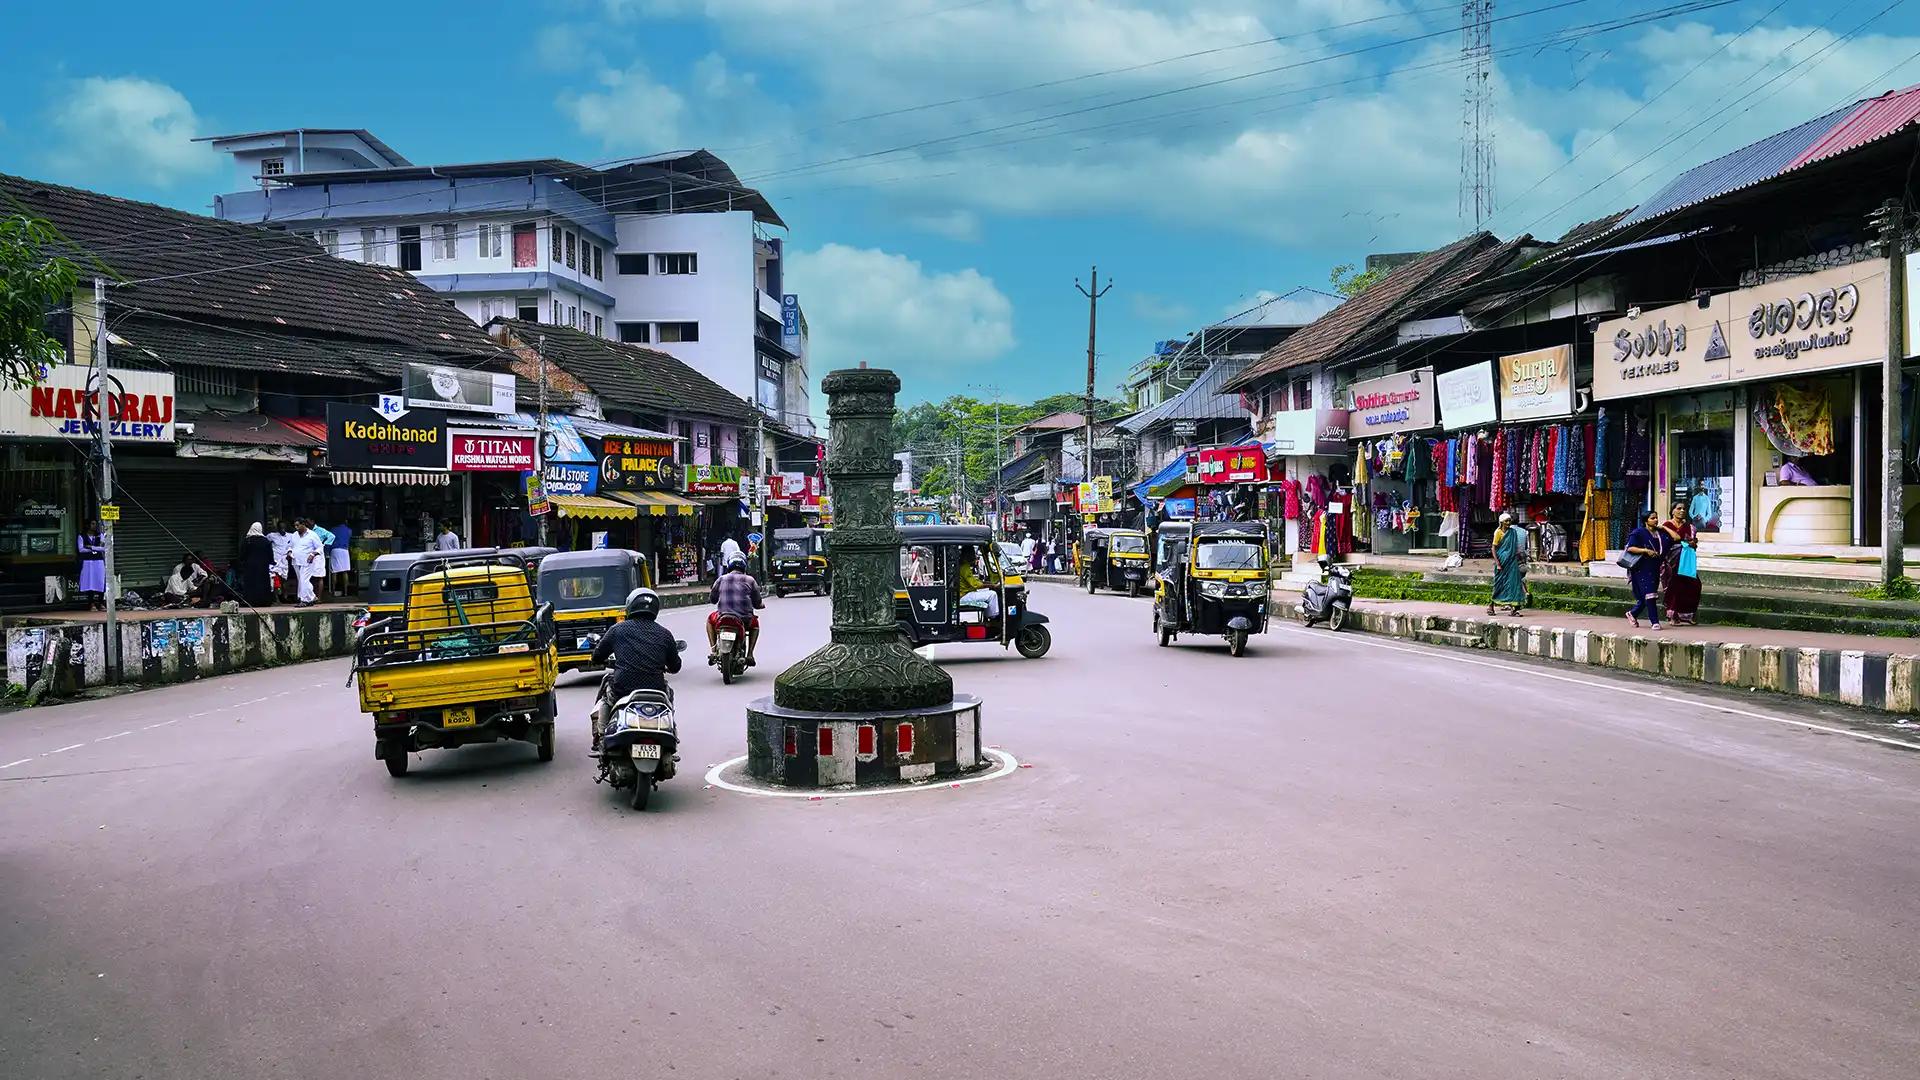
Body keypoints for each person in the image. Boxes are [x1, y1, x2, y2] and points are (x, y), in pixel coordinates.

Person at [589, 588, 682, 752]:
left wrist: (597, 658)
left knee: (605, 699)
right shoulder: (665, 634)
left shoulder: (618, 629)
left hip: (622, 688)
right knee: (669, 698)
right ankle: (671, 730)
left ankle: (601, 737)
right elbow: (676, 667)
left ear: (630, 606)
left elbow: (597, 656)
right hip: (655, 688)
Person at [707, 554, 764, 665]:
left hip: (722, 617)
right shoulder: (750, 580)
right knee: (755, 625)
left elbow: (713, 599)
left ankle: (713, 651)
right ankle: (750, 654)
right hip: (744, 619)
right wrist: (760, 605)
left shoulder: (721, 579)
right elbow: (757, 603)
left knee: (710, 620)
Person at [1623, 510, 1669, 630]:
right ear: (1645, 521)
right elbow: (1630, 548)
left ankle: (1633, 613)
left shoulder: (1660, 533)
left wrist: (1665, 528)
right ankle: (1655, 622)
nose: (1656, 520)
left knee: (1647, 596)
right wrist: (1645, 551)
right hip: (1642, 567)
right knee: (1650, 594)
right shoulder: (1638, 532)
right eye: (1652, 518)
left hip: (1654, 567)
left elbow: (1676, 537)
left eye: (1656, 518)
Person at [1660, 509, 1701, 626]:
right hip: (1671, 561)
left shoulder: (1690, 527)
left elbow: (1693, 542)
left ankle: (1687, 615)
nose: (1682, 511)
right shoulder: (1666, 526)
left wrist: (1693, 544)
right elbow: (1668, 542)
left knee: (1694, 585)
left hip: (1686, 561)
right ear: (1672, 511)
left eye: (1683, 509)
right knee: (1674, 587)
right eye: (1678, 508)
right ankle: (1673, 616)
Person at [1488, 511, 1527, 617]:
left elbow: (1516, 547)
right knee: (1499, 584)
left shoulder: (1513, 532)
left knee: (1513, 583)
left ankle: (1514, 609)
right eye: (1506, 521)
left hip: (1512, 561)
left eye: (1509, 520)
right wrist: (1498, 563)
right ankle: (1491, 605)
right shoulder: (1498, 532)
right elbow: (1494, 548)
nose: (1508, 523)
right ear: (1501, 522)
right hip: (1501, 561)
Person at [957, 545, 1002, 619]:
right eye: (973, 554)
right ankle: (993, 618)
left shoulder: (964, 566)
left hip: (965, 594)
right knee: (992, 594)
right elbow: (975, 584)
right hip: (964, 595)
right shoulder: (964, 567)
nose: (975, 556)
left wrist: (987, 583)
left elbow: (975, 581)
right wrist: (993, 586)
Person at [290, 519, 326, 606]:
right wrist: (289, 552)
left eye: (298, 525)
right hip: (296, 561)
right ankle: (312, 597)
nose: (296, 527)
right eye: (295, 526)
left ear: (303, 524)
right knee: (302, 580)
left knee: (304, 580)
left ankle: (304, 600)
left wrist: (313, 554)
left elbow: (319, 548)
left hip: (308, 561)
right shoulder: (294, 535)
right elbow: (290, 546)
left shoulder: (312, 535)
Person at [239, 522, 275, 607]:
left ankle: (250, 601)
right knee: (263, 583)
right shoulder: (265, 541)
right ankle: (264, 601)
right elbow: (270, 554)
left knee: (251, 583)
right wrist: (271, 561)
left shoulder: (248, 540)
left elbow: (242, 554)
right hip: (263, 566)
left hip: (250, 566)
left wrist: (242, 562)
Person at [77, 520, 106, 611]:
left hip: (98, 561)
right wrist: (93, 550)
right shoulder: (81, 536)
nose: (94, 526)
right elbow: (81, 549)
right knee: (90, 582)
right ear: (87, 525)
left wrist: (91, 547)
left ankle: (101, 602)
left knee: (100, 581)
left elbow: (104, 548)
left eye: (95, 524)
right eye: (92, 523)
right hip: (87, 561)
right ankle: (91, 603)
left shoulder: (100, 536)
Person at [267, 521, 294, 602]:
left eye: (283, 527)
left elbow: (293, 545)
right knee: (275, 579)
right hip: (275, 560)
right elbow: (264, 542)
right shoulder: (272, 535)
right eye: (280, 527)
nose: (282, 529)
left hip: (284, 561)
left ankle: (284, 597)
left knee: (284, 580)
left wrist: (290, 553)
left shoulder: (291, 536)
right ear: (277, 528)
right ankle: (276, 598)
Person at [328, 519, 355, 597]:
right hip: (344, 550)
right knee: (345, 571)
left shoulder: (332, 530)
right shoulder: (349, 530)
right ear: (345, 522)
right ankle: (346, 592)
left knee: (334, 571)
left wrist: (328, 551)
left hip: (335, 550)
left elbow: (329, 541)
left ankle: (333, 591)